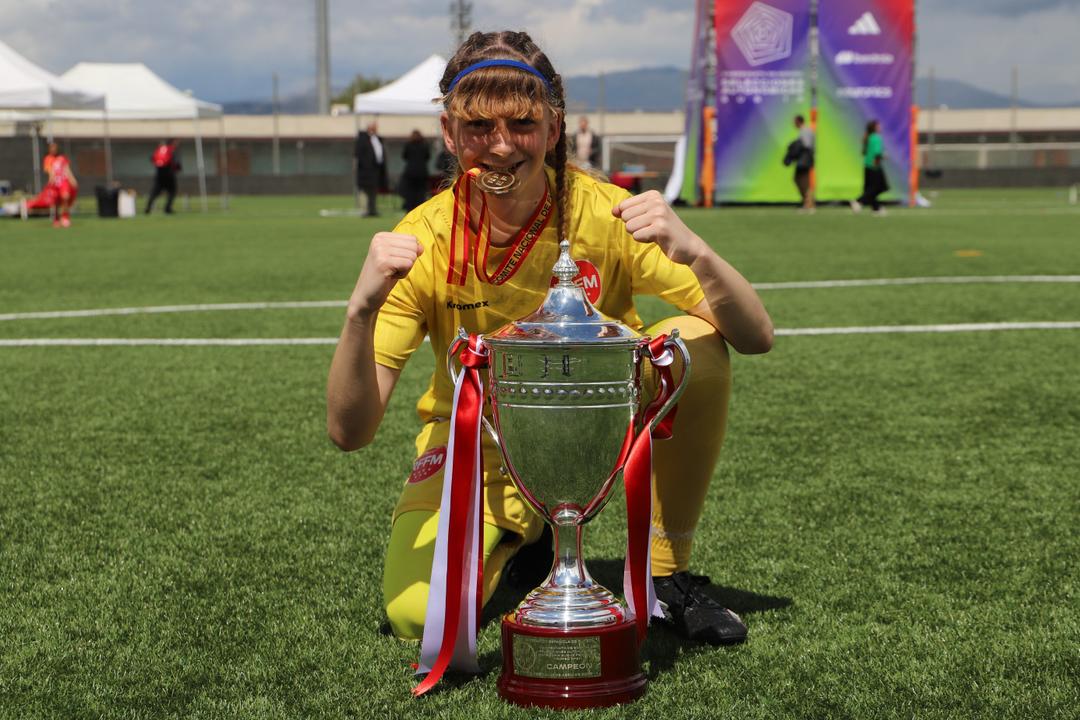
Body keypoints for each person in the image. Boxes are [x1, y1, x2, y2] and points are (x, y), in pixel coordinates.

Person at [327, 30, 773, 652]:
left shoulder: (606, 214)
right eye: (478, 126)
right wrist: (360, 311)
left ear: (554, 127)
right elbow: (350, 432)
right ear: (449, 133)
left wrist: (697, 250)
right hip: (481, 450)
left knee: (696, 340)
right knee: (415, 616)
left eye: (522, 123)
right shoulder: (423, 238)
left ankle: (665, 575)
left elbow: (756, 335)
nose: (501, 145)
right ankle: (529, 536)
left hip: (600, 427)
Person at [26, 142, 78, 227]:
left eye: (55, 148)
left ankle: (65, 217)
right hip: (55, 183)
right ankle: (56, 218)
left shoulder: (62, 158)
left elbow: (67, 169)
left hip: (63, 181)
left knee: (65, 197)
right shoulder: (48, 159)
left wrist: (72, 179)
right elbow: (50, 171)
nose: (53, 149)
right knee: (55, 202)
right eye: (51, 148)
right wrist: (51, 181)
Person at [851, 119, 889, 216]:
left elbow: (863, 152)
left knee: (870, 188)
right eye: (878, 126)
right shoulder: (876, 138)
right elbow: (877, 152)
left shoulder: (868, 137)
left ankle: (876, 208)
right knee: (879, 187)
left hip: (867, 165)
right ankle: (859, 201)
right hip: (874, 166)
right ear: (874, 128)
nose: (880, 128)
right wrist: (882, 157)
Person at [783, 114, 815, 212]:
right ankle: (806, 202)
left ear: (798, 121)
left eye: (794, 122)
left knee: (804, 182)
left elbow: (806, 145)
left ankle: (809, 204)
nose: (793, 124)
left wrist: (795, 146)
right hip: (803, 160)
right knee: (798, 179)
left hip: (805, 160)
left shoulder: (806, 130)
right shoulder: (803, 131)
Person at [354, 121, 387, 217]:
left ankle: (372, 209)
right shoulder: (362, 139)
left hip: (375, 170)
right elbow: (358, 154)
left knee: (373, 190)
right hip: (366, 171)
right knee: (365, 190)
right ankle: (365, 209)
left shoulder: (378, 139)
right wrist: (366, 165)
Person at [145, 139, 181, 214]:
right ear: (172, 143)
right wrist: (177, 168)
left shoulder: (160, 149)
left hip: (159, 173)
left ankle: (148, 208)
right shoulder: (171, 150)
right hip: (168, 173)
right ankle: (167, 208)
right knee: (172, 191)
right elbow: (175, 162)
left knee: (155, 191)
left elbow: (152, 158)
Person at [399, 130, 431, 212]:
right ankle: (420, 210)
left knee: (410, 193)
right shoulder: (424, 145)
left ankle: (409, 209)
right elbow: (427, 157)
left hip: (410, 172)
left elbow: (404, 156)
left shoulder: (408, 145)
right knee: (421, 193)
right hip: (421, 172)